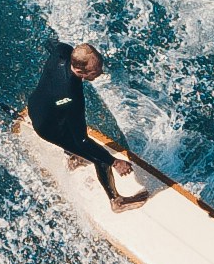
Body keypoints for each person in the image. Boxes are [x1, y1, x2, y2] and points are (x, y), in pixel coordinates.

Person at [27, 36, 149, 204]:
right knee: (99, 158)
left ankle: (74, 156)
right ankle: (117, 201)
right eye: (96, 70)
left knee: (74, 136)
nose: (100, 71)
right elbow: (82, 139)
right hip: (47, 126)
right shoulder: (71, 95)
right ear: (81, 71)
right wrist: (113, 161)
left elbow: (49, 42)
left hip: (36, 104)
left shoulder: (63, 51)